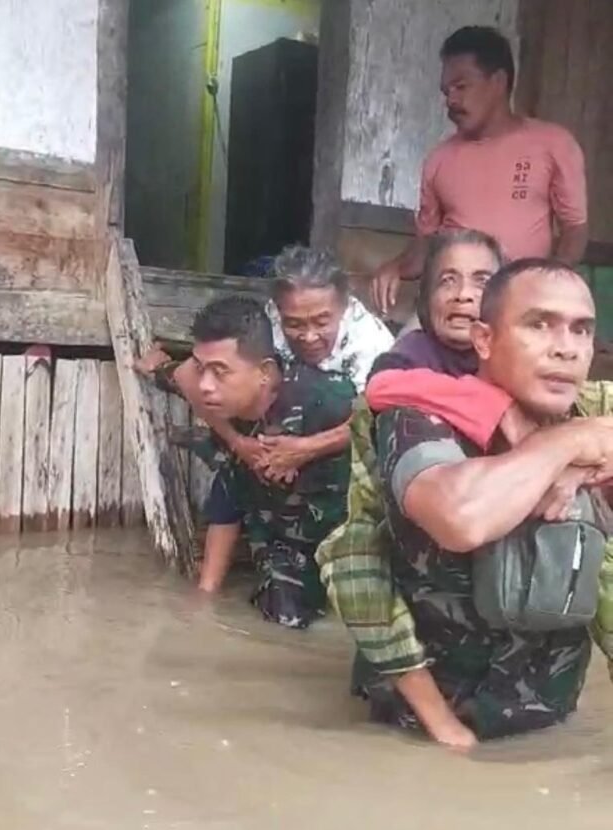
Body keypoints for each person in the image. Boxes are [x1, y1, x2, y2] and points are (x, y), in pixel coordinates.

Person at [317, 240, 613, 748]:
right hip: (420, 719)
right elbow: (461, 517)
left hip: (544, 712)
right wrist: (565, 445)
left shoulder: (592, 406)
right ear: (483, 339)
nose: (565, 347)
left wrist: (585, 450)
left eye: (581, 329)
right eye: (539, 324)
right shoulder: (419, 419)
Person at [136, 246, 393, 595]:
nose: (308, 336)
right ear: (279, 311)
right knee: (233, 453)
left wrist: (302, 450)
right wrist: (238, 443)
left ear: (344, 306)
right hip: (272, 418)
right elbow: (201, 377)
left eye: (322, 321)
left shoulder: (372, 347)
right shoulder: (270, 323)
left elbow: (377, 418)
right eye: (295, 323)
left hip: (343, 434)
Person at [148, 295, 356, 628]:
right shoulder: (227, 411)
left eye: (219, 372)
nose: (205, 386)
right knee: (283, 615)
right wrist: (205, 595)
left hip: (345, 541)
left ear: (265, 373)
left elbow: (379, 428)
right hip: (280, 542)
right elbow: (228, 493)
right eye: (202, 369)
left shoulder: (326, 402)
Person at [372, 25, 588, 317]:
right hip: (452, 306)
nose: (451, 100)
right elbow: (425, 247)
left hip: (519, 305)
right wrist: (394, 267)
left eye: (461, 87)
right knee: (401, 356)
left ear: (498, 82)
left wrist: (546, 285)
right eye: (446, 91)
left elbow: (574, 229)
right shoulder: (439, 159)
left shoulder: (553, 143)